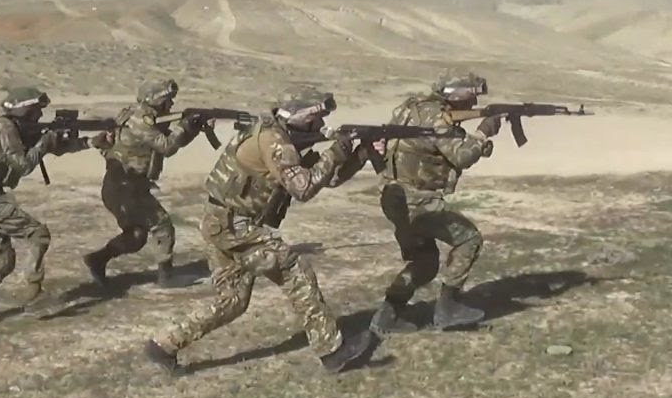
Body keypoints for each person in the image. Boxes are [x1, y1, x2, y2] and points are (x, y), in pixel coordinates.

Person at [145, 85, 374, 375]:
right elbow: (303, 188)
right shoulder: (274, 141)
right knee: (294, 271)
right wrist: (338, 150)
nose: (321, 124)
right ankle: (332, 350)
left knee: (232, 302)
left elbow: (326, 178)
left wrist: (360, 153)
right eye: (317, 118)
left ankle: (164, 345)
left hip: (221, 221)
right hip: (234, 225)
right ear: (303, 117)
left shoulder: (276, 134)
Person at [0, 86, 104, 325]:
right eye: (36, 112)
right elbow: (24, 165)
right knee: (38, 234)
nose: (40, 116)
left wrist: (90, 142)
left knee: (3, 259)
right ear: (25, 111)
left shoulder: (8, 128)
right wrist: (44, 141)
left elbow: (56, 147)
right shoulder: (4, 130)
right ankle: (33, 294)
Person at [367, 72, 503, 334]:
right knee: (469, 239)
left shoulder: (412, 107)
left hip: (395, 198)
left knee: (425, 262)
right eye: (471, 96)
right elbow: (461, 156)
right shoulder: (438, 118)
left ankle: (387, 316)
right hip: (417, 202)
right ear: (458, 96)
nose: (474, 102)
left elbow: (432, 148)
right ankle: (448, 308)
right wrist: (483, 133)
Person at [83, 78, 207, 289]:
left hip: (125, 186)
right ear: (156, 100)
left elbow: (167, 144)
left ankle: (97, 260)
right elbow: (167, 146)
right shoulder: (140, 120)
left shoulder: (140, 116)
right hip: (124, 187)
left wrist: (192, 129)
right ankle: (166, 277)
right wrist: (185, 126)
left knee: (136, 237)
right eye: (167, 100)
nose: (171, 104)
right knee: (163, 225)